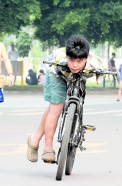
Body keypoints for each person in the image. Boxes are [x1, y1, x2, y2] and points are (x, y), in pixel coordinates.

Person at [27, 34, 104, 163]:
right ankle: (47, 147)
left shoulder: (95, 63)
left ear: (86, 58)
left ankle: (35, 139)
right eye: (71, 60)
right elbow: (56, 65)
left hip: (80, 76)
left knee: (61, 105)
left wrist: (99, 76)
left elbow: (102, 74)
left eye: (79, 61)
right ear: (67, 56)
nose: (74, 65)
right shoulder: (59, 59)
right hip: (57, 73)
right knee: (56, 107)